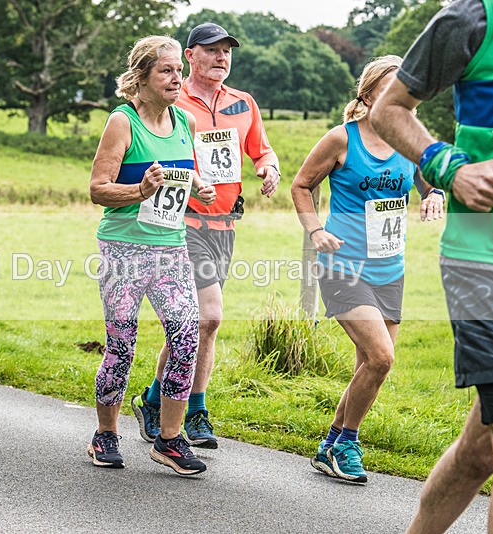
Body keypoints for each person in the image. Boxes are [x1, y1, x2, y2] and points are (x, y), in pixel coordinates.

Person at [371, 0, 493, 529]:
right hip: (488, 264)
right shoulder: (474, 20)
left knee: (482, 451)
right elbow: (389, 109)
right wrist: (451, 168)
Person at [291, 56, 444, 483]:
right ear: (370, 91)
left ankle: (331, 445)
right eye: (395, 82)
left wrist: (436, 195)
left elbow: (433, 181)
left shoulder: (413, 140)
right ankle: (349, 443)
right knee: (381, 357)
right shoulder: (341, 139)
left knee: (368, 366)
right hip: (342, 265)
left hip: (389, 268)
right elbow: (302, 185)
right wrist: (315, 230)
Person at [131, 22, 280, 449]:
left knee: (199, 327)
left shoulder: (243, 103)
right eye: (212, 50)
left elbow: (261, 149)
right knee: (209, 315)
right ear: (190, 56)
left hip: (225, 224)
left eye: (227, 51)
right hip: (184, 221)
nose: (221, 58)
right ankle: (194, 410)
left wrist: (268, 168)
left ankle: (157, 399)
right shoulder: (177, 103)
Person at [88, 35, 216, 475]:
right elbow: (97, 190)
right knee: (121, 346)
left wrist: (196, 184)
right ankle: (105, 433)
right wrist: (139, 190)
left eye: (179, 70)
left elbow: (183, 168)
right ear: (140, 78)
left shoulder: (186, 122)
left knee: (186, 332)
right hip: (123, 249)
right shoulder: (122, 122)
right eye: (165, 71)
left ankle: (168, 439)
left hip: (170, 249)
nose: (176, 77)